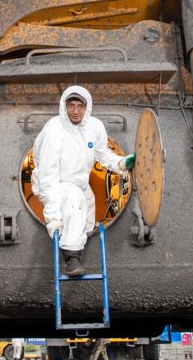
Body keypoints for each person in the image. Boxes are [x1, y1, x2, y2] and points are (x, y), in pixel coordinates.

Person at [31, 85, 134, 276]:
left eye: (80, 105)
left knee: (86, 224)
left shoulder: (94, 127)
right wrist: (53, 217)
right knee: (74, 200)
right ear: (64, 106)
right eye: (71, 105)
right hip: (56, 184)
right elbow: (47, 177)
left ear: (87, 107)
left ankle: (76, 245)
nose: (76, 111)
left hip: (80, 184)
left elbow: (103, 155)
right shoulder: (54, 130)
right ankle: (72, 259)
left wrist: (121, 163)